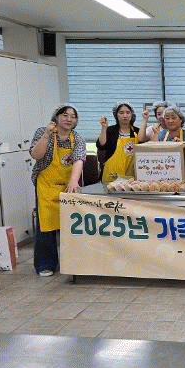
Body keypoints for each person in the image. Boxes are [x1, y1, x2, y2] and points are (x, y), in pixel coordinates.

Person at [29, 105, 86, 277]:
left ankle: (74, 262)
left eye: (73, 116)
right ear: (56, 117)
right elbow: (35, 155)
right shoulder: (43, 132)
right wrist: (47, 134)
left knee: (71, 224)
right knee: (46, 224)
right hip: (46, 185)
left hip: (68, 185)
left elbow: (79, 159)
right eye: (65, 115)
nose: (69, 119)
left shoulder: (77, 138)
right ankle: (45, 264)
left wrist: (74, 181)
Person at [96, 101, 139, 183]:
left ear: (131, 115)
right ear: (116, 115)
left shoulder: (137, 131)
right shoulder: (110, 130)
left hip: (131, 175)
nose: (125, 115)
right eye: (121, 113)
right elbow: (101, 145)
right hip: (112, 174)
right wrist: (104, 128)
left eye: (128, 113)